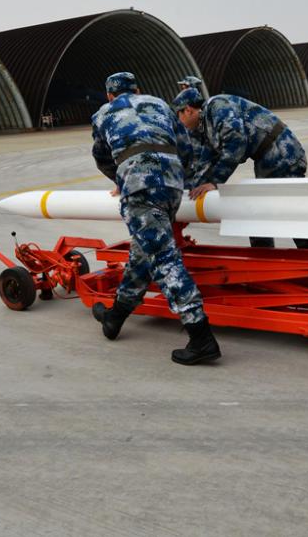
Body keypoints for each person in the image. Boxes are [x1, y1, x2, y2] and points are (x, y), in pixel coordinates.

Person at [91, 72, 221, 366]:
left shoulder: (103, 112)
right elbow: (186, 148)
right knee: (143, 252)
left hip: (140, 185)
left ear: (110, 95)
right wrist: (175, 175)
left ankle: (201, 337)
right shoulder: (160, 104)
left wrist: (122, 177)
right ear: (138, 89)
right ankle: (115, 317)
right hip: (172, 185)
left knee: (163, 258)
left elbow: (101, 155)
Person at [171, 87, 308, 252]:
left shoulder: (218, 107)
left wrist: (214, 182)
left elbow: (236, 144)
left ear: (188, 110)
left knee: (292, 215)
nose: (179, 123)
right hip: (267, 159)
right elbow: (203, 161)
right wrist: (189, 189)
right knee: (259, 217)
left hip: (282, 152)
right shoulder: (204, 126)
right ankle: (265, 263)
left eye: (179, 116)